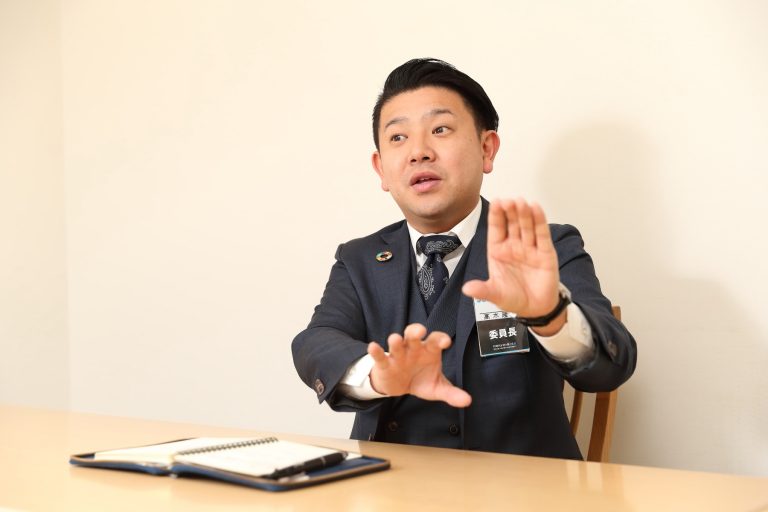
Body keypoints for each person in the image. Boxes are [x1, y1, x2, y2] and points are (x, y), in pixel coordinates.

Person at [291, 58, 636, 459]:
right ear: (381, 168)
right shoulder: (360, 259)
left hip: (521, 484)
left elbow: (611, 366)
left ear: (486, 149)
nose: (419, 152)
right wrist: (377, 374)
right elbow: (315, 341)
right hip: (390, 482)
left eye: (440, 129)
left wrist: (550, 315)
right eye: (398, 137)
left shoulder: (542, 247)